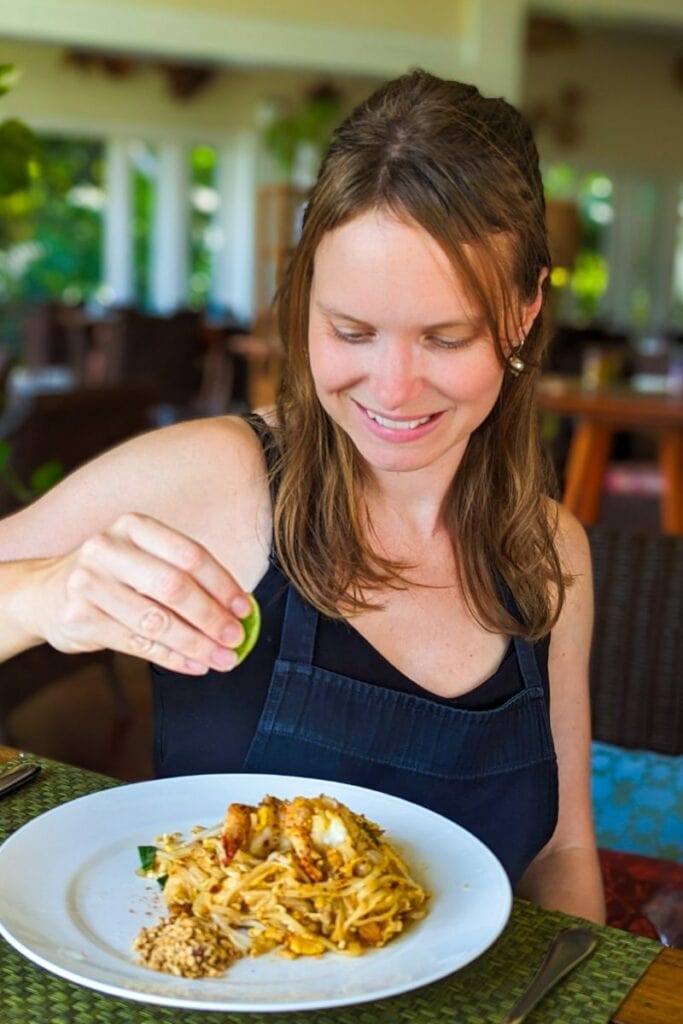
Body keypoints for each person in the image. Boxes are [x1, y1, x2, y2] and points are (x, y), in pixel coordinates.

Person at [0, 70, 605, 923]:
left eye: (445, 336)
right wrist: (37, 592)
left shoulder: (553, 554)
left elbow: (561, 849)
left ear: (524, 311)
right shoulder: (219, 476)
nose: (391, 390)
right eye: (350, 331)